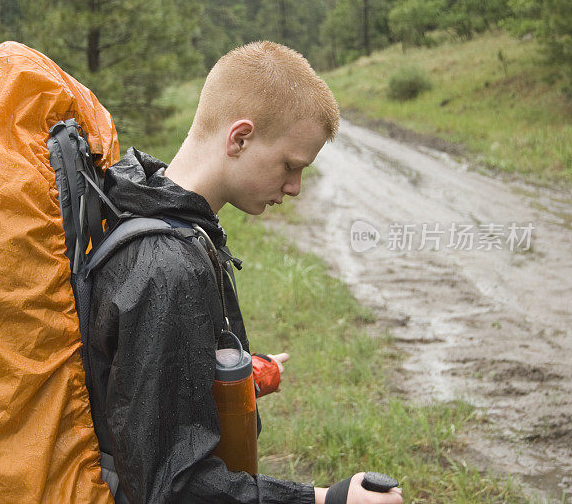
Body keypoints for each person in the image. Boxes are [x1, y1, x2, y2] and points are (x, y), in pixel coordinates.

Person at [85, 41, 404, 504]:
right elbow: (170, 488)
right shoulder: (166, 267)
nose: (294, 188)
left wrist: (231, 375)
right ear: (239, 138)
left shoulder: (149, 210)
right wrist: (329, 499)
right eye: (290, 166)